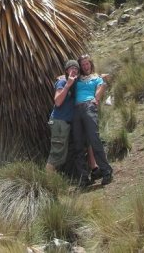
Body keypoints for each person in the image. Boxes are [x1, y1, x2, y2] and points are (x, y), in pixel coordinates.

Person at [72, 54, 113, 187]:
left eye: (87, 64)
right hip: (76, 110)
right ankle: (84, 178)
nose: (85, 66)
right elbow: (60, 78)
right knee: (78, 144)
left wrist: (95, 100)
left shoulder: (97, 78)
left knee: (94, 140)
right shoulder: (77, 79)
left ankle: (106, 172)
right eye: (83, 65)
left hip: (89, 107)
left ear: (91, 64)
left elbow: (101, 88)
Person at [46, 59, 79, 172]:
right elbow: (58, 101)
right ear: (66, 70)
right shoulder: (63, 82)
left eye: (76, 68)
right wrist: (67, 85)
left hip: (65, 123)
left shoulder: (75, 83)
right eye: (71, 68)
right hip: (59, 121)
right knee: (56, 153)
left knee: (61, 154)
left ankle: (52, 179)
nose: (74, 70)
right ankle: (48, 182)